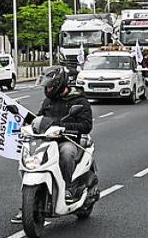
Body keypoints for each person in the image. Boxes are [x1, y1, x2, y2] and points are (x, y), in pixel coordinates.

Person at [11, 66, 94, 223]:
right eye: (46, 86)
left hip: (68, 140)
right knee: (29, 159)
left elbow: (86, 125)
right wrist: (25, 121)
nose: (47, 89)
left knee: (67, 153)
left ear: (59, 84)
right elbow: (40, 118)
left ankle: (68, 188)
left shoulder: (78, 100)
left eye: (50, 86)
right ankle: (29, 203)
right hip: (47, 140)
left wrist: (65, 128)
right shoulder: (48, 101)